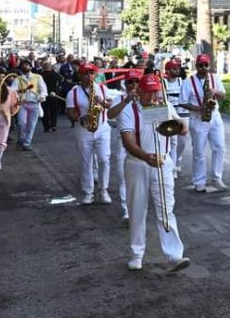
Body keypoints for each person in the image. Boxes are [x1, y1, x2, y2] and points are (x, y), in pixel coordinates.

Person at [116, 74, 191, 273]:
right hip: (137, 163)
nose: (152, 96)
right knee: (137, 211)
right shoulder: (129, 111)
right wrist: (146, 156)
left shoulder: (164, 106)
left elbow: (183, 130)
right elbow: (128, 141)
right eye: (148, 92)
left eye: (155, 91)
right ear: (139, 91)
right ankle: (137, 254)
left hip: (163, 162)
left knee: (166, 209)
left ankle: (174, 256)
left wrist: (174, 120)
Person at [66, 63, 113, 205]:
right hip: (83, 130)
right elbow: (70, 112)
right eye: (86, 74)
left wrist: (102, 101)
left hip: (102, 128)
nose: (90, 76)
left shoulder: (102, 88)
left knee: (104, 159)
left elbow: (110, 105)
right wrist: (80, 118)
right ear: (80, 76)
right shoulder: (73, 92)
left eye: (92, 73)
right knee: (86, 162)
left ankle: (103, 190)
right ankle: (88, 192)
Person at [179, 54, 227, 193]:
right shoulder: (189, 82)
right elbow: (182, 102)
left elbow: (223, 96)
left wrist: (215, 92)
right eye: (201, 65)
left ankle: (217, 178)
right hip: (198, 119)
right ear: (196, 66)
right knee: (199, 151)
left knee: (219, 147)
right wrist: (198, 109)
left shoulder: (214, 78)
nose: (204, 68)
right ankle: (199, 181)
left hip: (214, 116)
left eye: (206, 65)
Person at [108, 69, 144, 223]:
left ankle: (139, 208)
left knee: (143, 179)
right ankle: (127, 210)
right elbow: (110, 115)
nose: (134, 85)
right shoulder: (119, 99)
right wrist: (126, 101)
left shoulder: (147, 99)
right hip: (124, 144)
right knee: (123, 178)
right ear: (126, 84)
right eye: (130, 82)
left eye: (137, 81)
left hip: (143, 144)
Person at [162, 59, 188, 179]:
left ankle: (178, 159)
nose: (177, 70)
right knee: (172, 141)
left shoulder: (182, 82)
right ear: (167, 70)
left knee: (182, 141)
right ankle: (172, 168)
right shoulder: (163, 83)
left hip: (182, 114)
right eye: (174, 68)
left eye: (178, 67)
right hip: (169, 114)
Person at [40, 60, 64, 132]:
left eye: (48, 65)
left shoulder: (53, 73)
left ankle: (51, 125)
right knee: (47, 111)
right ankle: (48, 126)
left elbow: (61, 81)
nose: (47, 66)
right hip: (46, 94)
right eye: (46, 65)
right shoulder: (40, 75)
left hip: (53, 94)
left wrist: (56, 90)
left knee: (52, 111)